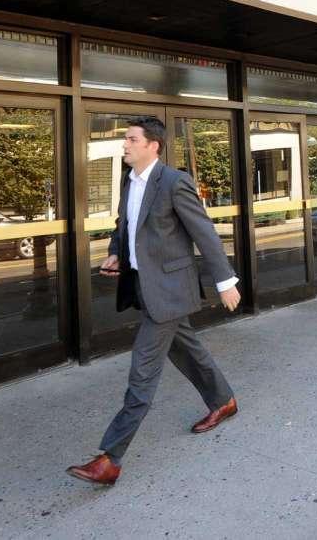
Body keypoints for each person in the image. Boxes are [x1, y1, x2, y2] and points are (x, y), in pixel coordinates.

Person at [67, 116, 241, 486]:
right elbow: (124, 226)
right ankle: (223, 400)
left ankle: (110, 458)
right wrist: (117, 253)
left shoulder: (175, 182)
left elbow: (204, 234)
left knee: (142, 373)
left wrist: (226, 281)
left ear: (153, 145)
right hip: (146, 287)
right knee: (188, 349)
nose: (124, 145)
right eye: (125, 139)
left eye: (131, 139)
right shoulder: (129, 181)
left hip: (170, 290)